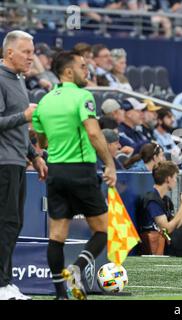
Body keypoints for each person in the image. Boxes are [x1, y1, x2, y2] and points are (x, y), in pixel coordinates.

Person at [32, 51, 117, 300]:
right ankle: (77, 268)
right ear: (68, 71)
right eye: (82, 66)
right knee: (102, 230)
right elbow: (93, 133)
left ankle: (60, 294)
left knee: (57, 235)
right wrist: (109, 164)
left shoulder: (44, 102)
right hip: (80, 169)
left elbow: (42, 140)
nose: (87, 69)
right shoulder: (83, 96)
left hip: (55, 171)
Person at [0, 30, 48, 301]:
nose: (33, 57)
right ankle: (1, 284)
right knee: (6, 223)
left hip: (17, 161)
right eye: (27, 52)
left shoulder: (17, 80)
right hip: (3, 162)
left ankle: (5, 281)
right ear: (9, 53)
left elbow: (17, 130)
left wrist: (35, 156)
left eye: (33, 51)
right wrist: (24, 115)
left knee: (12, 223)